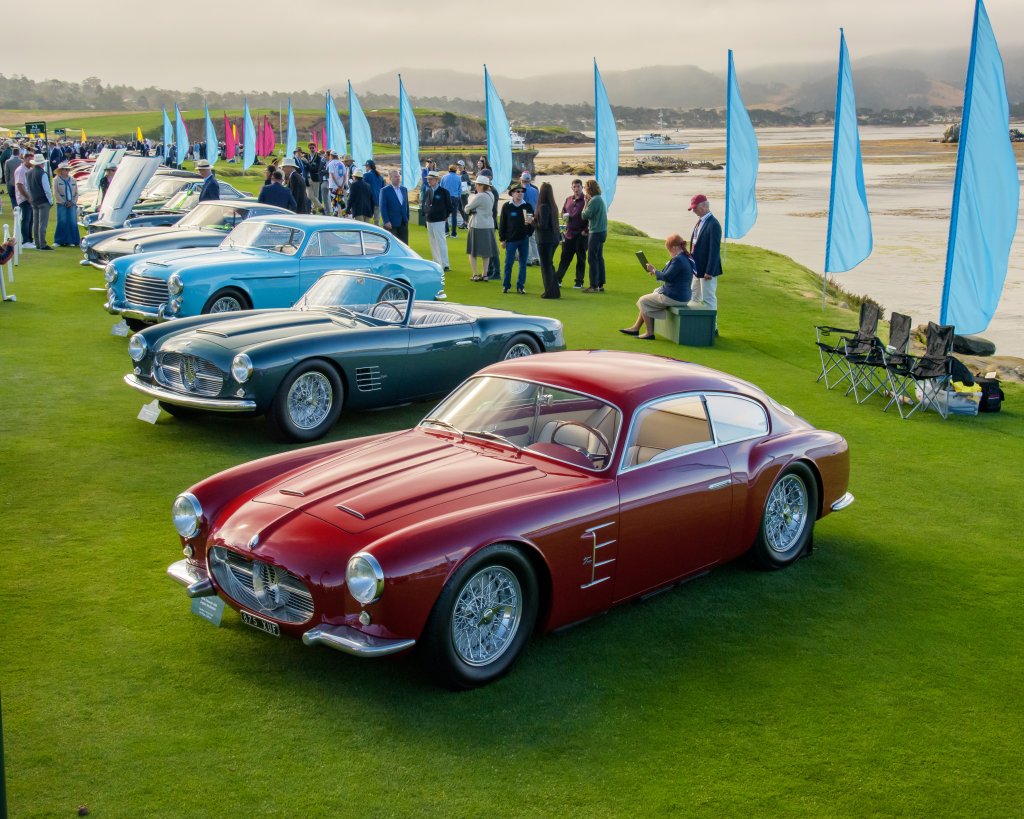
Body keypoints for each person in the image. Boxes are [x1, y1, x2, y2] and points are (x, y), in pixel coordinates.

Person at [620, 234, 696, 339]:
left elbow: (667, 277)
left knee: (643, 300)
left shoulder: (678, 260)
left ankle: (649, 333)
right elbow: (669, 274)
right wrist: (655, 271)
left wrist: (654, 271)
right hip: (683, 296)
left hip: (675, 297)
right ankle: (636, 328)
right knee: (651, 296)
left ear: (674, 247)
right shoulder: (684, 257)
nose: (669, 252)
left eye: (669, 249)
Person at [687, 193, 723, 331]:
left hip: (708, 270)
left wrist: (709, 270)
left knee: (708, 298)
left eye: (695, 208)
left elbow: (714, 251)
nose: (694, 211)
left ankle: (712, 328)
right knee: (693, 295)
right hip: (696, 268)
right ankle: (691, 323)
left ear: (704, 207)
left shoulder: (713, 224)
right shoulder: (700, 221)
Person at [498, 183, 534, 294]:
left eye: (522, 192)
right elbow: (502, 223)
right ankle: (506, 285)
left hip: (524, 239)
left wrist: (529, 233)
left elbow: (531, 223)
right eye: (518, 191)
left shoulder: (527, 206)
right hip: (511, 240)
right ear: (512, 193)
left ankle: (520, 286)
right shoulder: (507, 206)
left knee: (523, 263)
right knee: (508, 263)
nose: (520, 193)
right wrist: (502, 239)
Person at [555, 178, 587, 289]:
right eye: (574, 186)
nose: (576, 189)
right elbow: (563, 211)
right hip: (569, 234)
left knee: (581, 259)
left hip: (581, 235)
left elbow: (590, 217)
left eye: (578, 186)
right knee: (565, 258)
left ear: (582, 187)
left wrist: (585, 231)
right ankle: (558, 279)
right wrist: (564, 215)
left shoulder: (586, 200)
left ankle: (579, 282)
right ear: (572, 188)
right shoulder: (568, 199)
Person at [465, 176, 497, 282]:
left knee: (472, 251)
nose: (476, 186)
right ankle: (485, 274)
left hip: (477, 225)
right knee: (486, 252)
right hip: (488, 225)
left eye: (477, 184)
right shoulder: (491, 194)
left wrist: (470, 204)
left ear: (482, 185)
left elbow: (467, 208)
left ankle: (475, 274)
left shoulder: (480, 196)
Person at [533, 182, 561, 299]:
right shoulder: (553, 206)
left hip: (545, 240)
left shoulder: (543, 206)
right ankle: (554, 291)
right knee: (549, 264)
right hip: (553, 238)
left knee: (546, 266)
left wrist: (532, 222)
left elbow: (542, 225)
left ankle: (550, 292)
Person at [581, 179, 607, 293]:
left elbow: (585, 215)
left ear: (589, 188)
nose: (584, 189)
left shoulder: (594, 200)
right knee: (599, 257)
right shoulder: (599, 199)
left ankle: (594, 285)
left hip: (595, 232)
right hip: (602, 231)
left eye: (585, 187)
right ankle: (600, 283)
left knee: (592, 258)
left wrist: (586, 203)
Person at [423, 170, 452, 271]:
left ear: (436, 180)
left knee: (441, 241)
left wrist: (445, 216)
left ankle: (445, 264)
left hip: (439, 220)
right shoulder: (428, 191)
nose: (428, 181)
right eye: (428, 179)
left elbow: (449, 206)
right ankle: (436, 262)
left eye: (430, 179)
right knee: (432, 242)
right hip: (429, 220)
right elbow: (425, 205)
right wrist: (426, 215)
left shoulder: (444, 192)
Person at [26, 154, 53, 250]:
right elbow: (47, 189)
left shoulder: (28, 173)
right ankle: (43, 243)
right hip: (43, 201)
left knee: (36, 223)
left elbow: (27, 187)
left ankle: (37, 243)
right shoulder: (42, 173)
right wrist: (51, 201)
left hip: (34, 200)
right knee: (42, 223)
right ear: (42, 163)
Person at [53, 162, 80, 247]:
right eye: (65, 169)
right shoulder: (56, 180)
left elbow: (76, 193)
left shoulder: (73, 179)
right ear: (61, 171)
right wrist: (63, 202)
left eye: (68, 169)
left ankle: (73, 240)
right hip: (61, 204)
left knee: (72, 221)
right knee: (62, 221)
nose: (67, 171)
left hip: (72, 204)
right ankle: (59, 240)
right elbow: (56, 193)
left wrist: (73, 202)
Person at [379, 170, 410, 243]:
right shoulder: (385, 190)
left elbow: (406, 205)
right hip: (391, 224)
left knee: (404, 245)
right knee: (392, 244)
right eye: (395, 176)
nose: (398, 178)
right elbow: (383, 207)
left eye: (399, 176)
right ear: (390, 178)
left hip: (403, 222)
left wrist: (407, 217)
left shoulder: (404, 189)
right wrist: (386, 221)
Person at [14, 151, 34, 246]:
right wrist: (28, 197)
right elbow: (19, 185)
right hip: (24, 198)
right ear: (25, 159)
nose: (31, 161)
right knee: (26, 219)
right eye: (30, 159)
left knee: (30, 219)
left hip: (29, 198)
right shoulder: (21, 170)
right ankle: (25, 240)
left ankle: (29, 239)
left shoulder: (28, 169)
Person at [521, 171, 540, 265]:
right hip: (535, 215)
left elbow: (522, 205)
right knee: (533, 237)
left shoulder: (522, 191)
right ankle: (536, 258)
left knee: (526, 237)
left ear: (522, 180)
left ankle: (527, 258)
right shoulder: (535, 190)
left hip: (526, 215)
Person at [440, 164, 463, 238]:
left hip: (446, 197)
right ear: (455, 170)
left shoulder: (444, 177)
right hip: (455, 197)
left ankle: (446, 231)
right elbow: (460, 189)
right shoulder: (458, 178)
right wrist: (459, 197)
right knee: (454, 216)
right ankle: (454, 233)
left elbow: (441, 188)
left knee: (445, 215)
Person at [363, 160, 384, 225]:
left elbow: (363, 187)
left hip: (370, 200)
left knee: (366, 220)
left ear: (368, 166)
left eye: (366, 166)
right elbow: (383, 188)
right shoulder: (380, 177)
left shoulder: (366, 175)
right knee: (376, 221)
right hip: (378, 199)